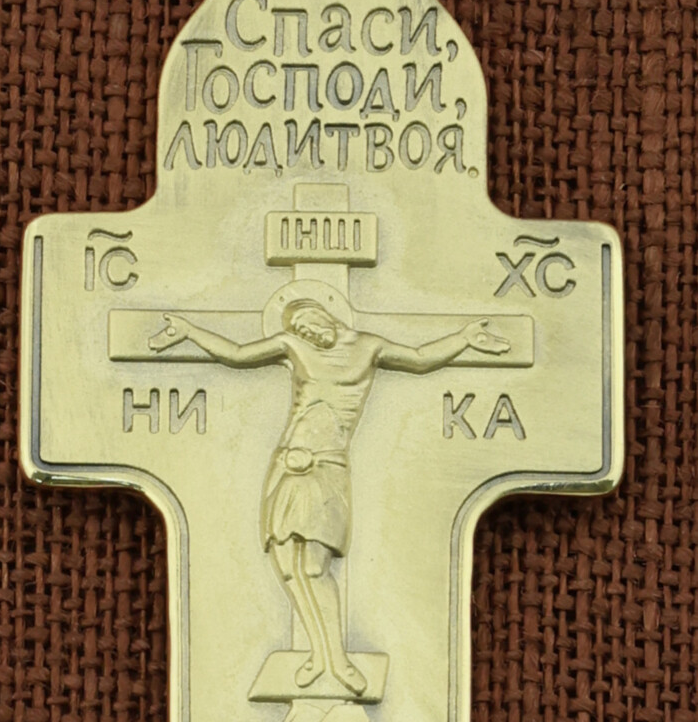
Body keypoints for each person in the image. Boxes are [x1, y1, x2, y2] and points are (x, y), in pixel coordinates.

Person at [150, 295, 509, 696]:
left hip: (327, 465)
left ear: (324, 314)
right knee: (288, 565)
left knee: (315, 566)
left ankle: (338, 659)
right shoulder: (292, 345)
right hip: (286, 463)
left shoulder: (369, 346)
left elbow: (421, 358)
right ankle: (319, 656)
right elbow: (235, 354)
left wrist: (464, 338)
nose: (305, 332)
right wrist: (190, 332)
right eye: (298, 329)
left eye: (307, 322)